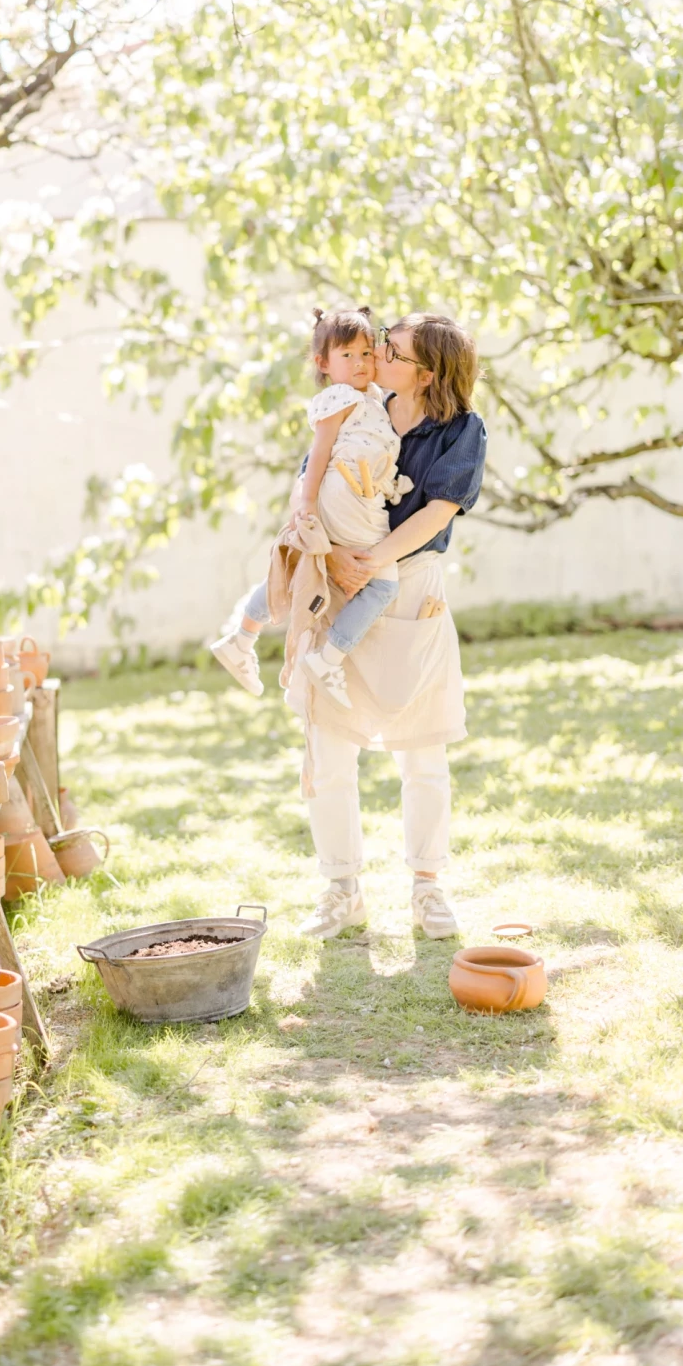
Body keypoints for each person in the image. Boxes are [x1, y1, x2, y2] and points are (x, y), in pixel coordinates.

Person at [214, 311, 486, 941]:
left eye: (391, 350)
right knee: (330, 754)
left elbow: (441, 509)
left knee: (423, 754)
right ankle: (342, 890)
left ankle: (427, 888)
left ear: (426, 372)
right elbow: (307, 480)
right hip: (338, 586)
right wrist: (331, 555)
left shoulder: (462, 431)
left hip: (410, 593)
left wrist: (373, 561)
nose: (376, 356)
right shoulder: (358, 406)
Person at [213, 306, 410, 708]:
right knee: (384, 582)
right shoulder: (338, 398)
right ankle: (328, 658)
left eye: (366, 353)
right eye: (347, 356)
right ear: (323, 363)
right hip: (346, 496)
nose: (360, 363)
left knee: (303, 567)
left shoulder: (371, 397)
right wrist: (306, 504)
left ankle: (242, 637)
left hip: (354, 493)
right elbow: (318, 453)